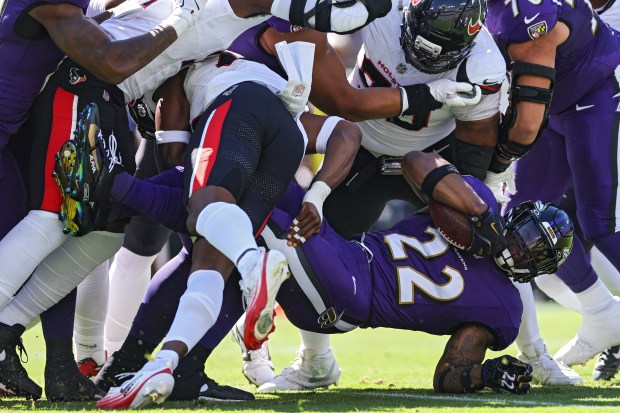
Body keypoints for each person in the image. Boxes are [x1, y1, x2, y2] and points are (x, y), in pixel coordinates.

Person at [101, 150, 576, 399]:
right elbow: (415, 162)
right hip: (346, 252)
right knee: (245, 177)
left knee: (253, 210)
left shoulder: (504, 308)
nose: (521, 248)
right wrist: (479, 213)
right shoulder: (477, 206)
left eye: (534, 251)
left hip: (349, 297)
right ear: (512, 219)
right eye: (526, 234)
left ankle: (113, 193)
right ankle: (120, 198)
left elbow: (449, 373)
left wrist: (485, 373)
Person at [483, 0, 620, 378]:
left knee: (601, 223)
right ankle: (603, 314)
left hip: (603, 87)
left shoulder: (528, 14)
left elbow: (526, 115)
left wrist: (495, 167)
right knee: (524, 225)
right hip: (559, 106)